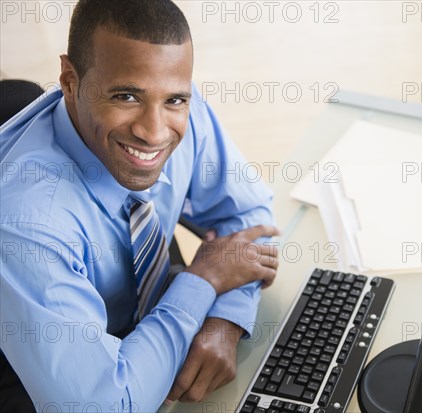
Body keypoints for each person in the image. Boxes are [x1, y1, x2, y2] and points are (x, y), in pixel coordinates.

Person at [0, 0, 280, 411]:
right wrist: (202, 282)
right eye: (126, 96)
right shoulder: (27, 223)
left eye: (175, 100)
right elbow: (107, 407)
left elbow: (248, 218)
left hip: (148, 329)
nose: (153, 132)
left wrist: (225, 321)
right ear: (70, 80)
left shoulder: (169, 94)